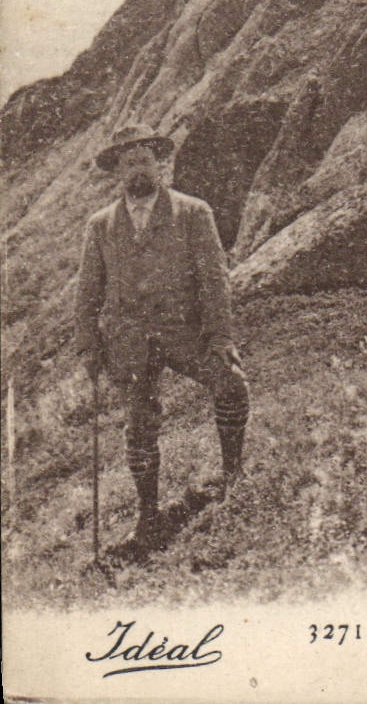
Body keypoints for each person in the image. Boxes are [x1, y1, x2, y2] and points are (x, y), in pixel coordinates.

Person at [74, 123, 250, 556]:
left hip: (184, 332)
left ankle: (233, 477)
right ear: (117, 171)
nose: (138, 168)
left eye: (145, 159)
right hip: (128, 342)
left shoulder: (193, 212)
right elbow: (87, 293)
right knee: (139, 429)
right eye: (128, 161)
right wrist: (88, 346)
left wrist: (221, 335)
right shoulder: (100, 226)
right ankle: (148, 515)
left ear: (160, 163)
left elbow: (214, 279)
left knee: (231, 385)